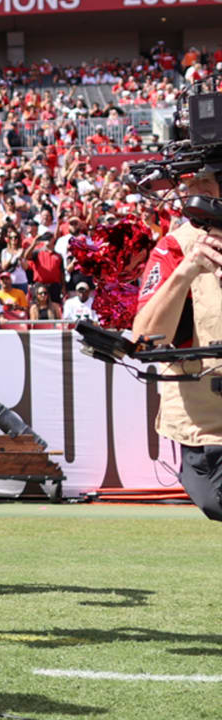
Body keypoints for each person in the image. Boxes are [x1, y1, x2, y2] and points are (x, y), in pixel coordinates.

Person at [133, 164, 222, 523]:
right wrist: (185, 272)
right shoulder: (174, 245)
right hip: (206, 426)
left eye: (205, 182)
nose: (195, 193)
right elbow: (146, 339)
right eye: (190, 183)